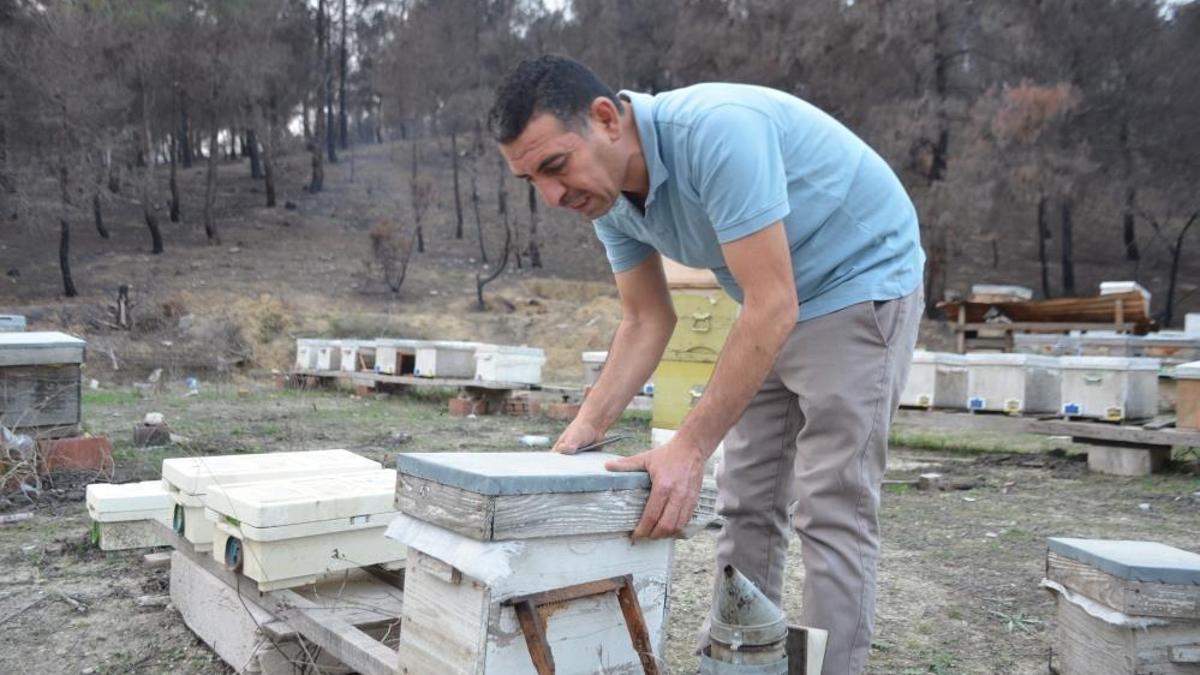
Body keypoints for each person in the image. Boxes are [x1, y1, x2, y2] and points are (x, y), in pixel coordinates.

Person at [488, 55, 924, 674]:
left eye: (555, 166)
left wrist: (688, 447)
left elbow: (773, 304)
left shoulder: (717, 132)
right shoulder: (610, 200)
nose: (552, 196)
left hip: (857, 279)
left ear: (606, 119)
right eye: (531, 180)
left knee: (831, 506)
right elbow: (646, 319)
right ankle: (743, 664)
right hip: (769, 298)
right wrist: (578, 438)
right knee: (746, 500)